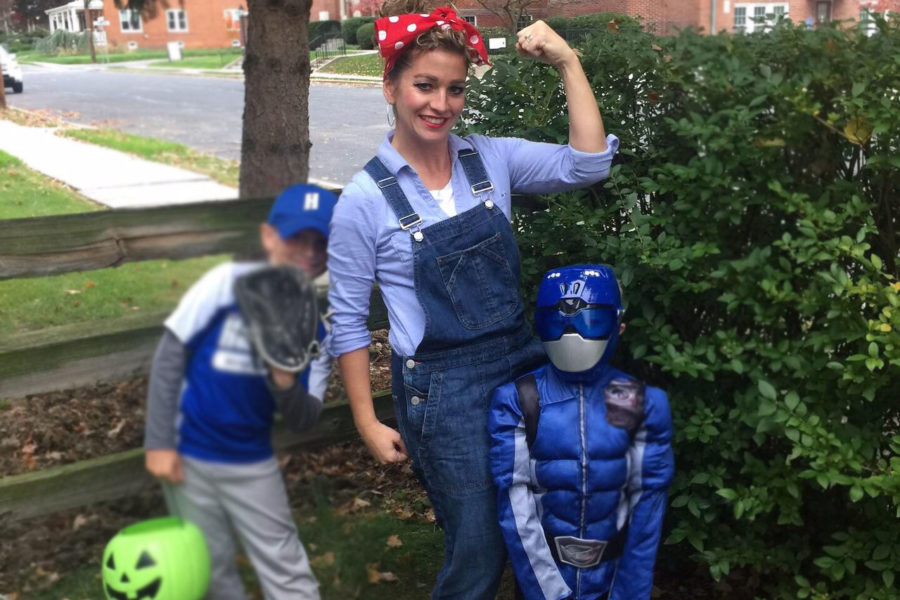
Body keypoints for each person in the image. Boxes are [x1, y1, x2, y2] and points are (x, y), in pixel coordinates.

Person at [326, 1, 619, 597]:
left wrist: (568, 60)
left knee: (548, 526)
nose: (440, 103)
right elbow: (350, 321)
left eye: (454, 89)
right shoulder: (363, 200)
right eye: (424, 85)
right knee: (479, 551)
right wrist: (365, 418)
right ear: (390, 85)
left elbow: (588, 165)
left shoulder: (490, 157)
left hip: (525, 369)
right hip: (445, 392)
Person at [143, 183, 338, 600]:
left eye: (321, 242)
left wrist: (284, 379)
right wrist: (159, 442)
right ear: (269, 237)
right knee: (208, 567)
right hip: (187, 452)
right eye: (296, 238)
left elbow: (304, 419)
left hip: (250, 462)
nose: (309, 251)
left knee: (286, 568)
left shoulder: (319, 329)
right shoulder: (226, 283)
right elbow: (170, 355)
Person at [489, 265, 675, 600]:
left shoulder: (634, 402)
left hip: (613, 576)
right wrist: (547, 593)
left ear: (618, 326)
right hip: (543, 577)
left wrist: (627, 594)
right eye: (559, 319)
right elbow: (516, 505)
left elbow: (646, 509)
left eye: (588, 319)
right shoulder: (520, 399)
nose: (572, 332)